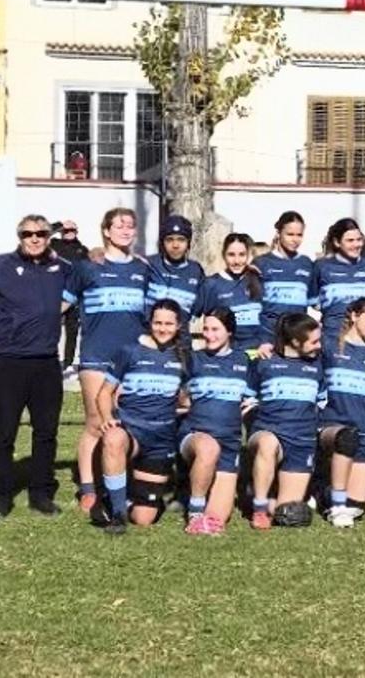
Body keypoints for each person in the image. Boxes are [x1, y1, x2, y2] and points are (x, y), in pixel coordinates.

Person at [0, 215, 69, 518]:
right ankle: (0, 496)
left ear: (49, 237)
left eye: (41, 233)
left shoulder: (61, 269)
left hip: (45, 362)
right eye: (28, 233)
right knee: (3, 433)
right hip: (8, 361)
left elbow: (87, 276)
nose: (35, 238)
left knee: (46, 432)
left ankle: (40, 493)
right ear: (19, 236)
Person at [64, 207, 150, 513]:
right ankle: (88, 488)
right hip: (97, 355)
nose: (126, 231)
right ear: (106, 231)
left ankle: (118, 483)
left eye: (131, 226)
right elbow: (63, 303)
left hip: (132, 360)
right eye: (120, 226)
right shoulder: (88, 267)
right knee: (96, 422)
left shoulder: (143, 269)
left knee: (125, 423)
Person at [93, 299, 188, 534]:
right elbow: (104, 393)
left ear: (178, 326)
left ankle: (122, 492)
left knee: (144, 519)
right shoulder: (130, 351)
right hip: (132, 432)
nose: (162, 328)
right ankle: (117, 513)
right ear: (150, 323)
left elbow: (186, 399)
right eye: (157, 323)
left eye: (168, 324)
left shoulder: (184, 357)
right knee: (114, 438)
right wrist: (107, 417)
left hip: (161, 441)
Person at [245, 313, 326, 530]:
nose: (319, 346)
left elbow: (322, 402)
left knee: (286, 513)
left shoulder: (317, 366)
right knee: (267, 443)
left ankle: (259, 492)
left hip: (301, 442)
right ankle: (259, 508)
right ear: (295, 342)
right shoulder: (265, 363)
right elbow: (247, 398)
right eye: (314, 341)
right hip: (269, 432)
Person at [318, 298, 365, 528]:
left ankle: (325, 492)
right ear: (354, 316)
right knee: (345, 438)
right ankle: (332, 500)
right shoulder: (329, 346)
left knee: (356, 506)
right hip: (332, 423)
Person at [179, 307, 250, 535]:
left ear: (229, 332)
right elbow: (176, 394)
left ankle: (202, 508)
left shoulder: (245, 361)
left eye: (215, 329)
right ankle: (195, 513)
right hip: (195, 435)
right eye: (205, 329)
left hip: (230, 441)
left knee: (219, 517)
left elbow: (255, 393)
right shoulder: (193, 359)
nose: (209, 335)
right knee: (209, 448)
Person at [254, 211, 315, 352]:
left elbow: (314, 301)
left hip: (297, 334)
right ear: (278, 232)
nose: (295, 240)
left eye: (299, 235)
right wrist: (263, 340)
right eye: (290, 234)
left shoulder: (307, 264)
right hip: (268, 335)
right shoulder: (262, 263)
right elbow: (252, 303)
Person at [312, 218, 365, 344]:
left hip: (364, 339)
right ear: (337, 242)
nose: (356, 245)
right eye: (350, 240)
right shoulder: (321, 266)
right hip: (332, 336)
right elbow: (311, 300)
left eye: (359, 240)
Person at [197, 233, 264, 354]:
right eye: (231, 255)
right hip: (229, 358)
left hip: (259, 355)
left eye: (242, 255)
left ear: (248, 255)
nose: (237, 261)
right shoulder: (211, 284)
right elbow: (194, 317)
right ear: (223, 255)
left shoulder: (258, 280)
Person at [145, 215, 204, 345]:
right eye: (169, 239)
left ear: (188, 242)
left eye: (181, 240)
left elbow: (199, 308)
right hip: (149, 340)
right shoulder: (148, 264)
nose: (175, 245)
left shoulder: (196, 271)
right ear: (162, 242)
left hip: (180, 344)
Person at [50, 219, 88, 375]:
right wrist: (58, 225)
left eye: (72, 230)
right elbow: (43, 234)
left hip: (75, 296)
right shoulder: (54, 245)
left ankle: (68, 362)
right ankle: (51, 360)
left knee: (72, 331)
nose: (69, 233)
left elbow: (87, 273)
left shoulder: (82, 250)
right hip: (55, 293)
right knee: (51, 328)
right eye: (66, 231)